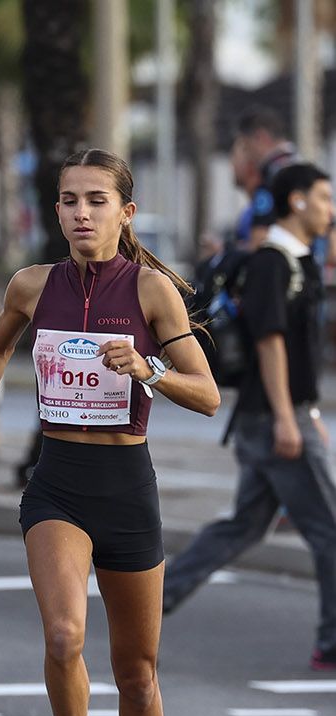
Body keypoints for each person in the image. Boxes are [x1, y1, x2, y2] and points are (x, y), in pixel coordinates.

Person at [0, 148, 220, 716]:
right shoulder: (33, 285)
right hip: (58, 485)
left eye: (97, 200)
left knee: (137, 674)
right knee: (65, 633)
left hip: (127, 487)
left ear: (124, 213)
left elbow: (208, 394)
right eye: (69, 200)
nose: (81, 213)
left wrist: (149, 370)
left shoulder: (153, 292)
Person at [164, 164, 336, 672]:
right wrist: (291, 417)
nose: (332, 210)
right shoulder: (273, 264)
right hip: (273, 419)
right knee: (329, 532)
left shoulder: (296, 261)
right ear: (298, 202)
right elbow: (270, 343)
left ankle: (156, 600)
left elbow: (297, 353)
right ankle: (331, 642)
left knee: (244, 526)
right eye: (325, 198)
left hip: (277, 415)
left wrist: (309, 411)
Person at [233, 107, 302, 250]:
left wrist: (230, 254)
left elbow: (259, 241)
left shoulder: (273, 177)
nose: (248, 156)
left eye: (246, 147)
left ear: (261, 137)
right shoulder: (304, 169)